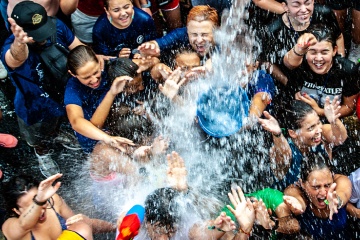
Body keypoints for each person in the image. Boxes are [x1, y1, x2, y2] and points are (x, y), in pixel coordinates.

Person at [0, 1, 84, 177]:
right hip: (35, 106)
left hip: (62, 93)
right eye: (37, 34)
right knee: (37, 137)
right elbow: (15, 58)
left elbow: (77, 47)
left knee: (60, 120)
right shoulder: (10, 46)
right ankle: (42, 154)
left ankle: (57, 133)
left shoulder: (56, 24)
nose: (44, 37)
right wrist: (19, 43)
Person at [65, 45, 163, 180]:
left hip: (123, 128)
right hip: (99, 142)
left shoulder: (112, 66)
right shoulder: (72, 88)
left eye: (95, 72)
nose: (94, 80)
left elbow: (152, 62)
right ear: (73, 74)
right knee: (122, 162)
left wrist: (151, 63)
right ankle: (145, 178)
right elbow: (77, 122)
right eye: (86, 77)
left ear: (99, 62)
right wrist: (108, 138)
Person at [258, 98, 347, 190]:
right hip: (290, 198)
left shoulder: (322, 134)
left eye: (318, 122)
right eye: (311, 128)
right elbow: (284, 154)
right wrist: (277, 134)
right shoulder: (281, 149)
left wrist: (334, 120)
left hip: (321, 195)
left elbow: (340, 139)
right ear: (293, 133)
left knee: (344, 181)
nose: (319, 130)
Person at [1, 173, 116, 240]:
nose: (40, 211)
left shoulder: (52, 200)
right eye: (28, 206)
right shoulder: (10, 228)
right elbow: (23, 225)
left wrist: (116, 227)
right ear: (16, 210)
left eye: (40, 198)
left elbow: (85, 223)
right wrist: (39, 201)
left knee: (81, 226)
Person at [281, 24, 359, 119]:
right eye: (313, 52)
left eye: (324, 52)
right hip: (300, 117)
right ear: (306, 51)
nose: (318, 58)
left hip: (332, 120)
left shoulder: (347, 69)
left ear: (334, 50)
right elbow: (288, 63)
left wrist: (319, 111)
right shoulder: (299, 64)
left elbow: (349, 107)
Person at [259, 0, 344, 84]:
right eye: (296, 5)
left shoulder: (323, 13)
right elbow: (267, 61)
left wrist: (340, 65)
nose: (303, 10)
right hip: (294, 80)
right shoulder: (273, 30)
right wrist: (286, 82)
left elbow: (338, 36)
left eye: (307, 3)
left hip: (327, 75)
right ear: (285, 7)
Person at [283, 152, 352, 239]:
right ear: (302, 184)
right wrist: (298, 205)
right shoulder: (296, 189)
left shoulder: (340, 181)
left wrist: (337, 201)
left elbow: (343, 193)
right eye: (316, 187)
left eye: (327, 185)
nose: (323, 192)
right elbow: (295, 197)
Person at [138, 5, 218, 65]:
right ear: (187, 31)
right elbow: (160, 43)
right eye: (194, 34)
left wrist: (214, 63)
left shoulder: (224, 39)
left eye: (204, 35)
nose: (199, 40)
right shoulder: (181, 34)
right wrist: (151, 46)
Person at [92, 0, 157, 57]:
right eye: (116, 10)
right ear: (107, 11)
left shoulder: (145, 20)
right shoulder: (100, 29)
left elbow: (154, 45)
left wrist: (144, 54)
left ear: (132, 4)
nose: (123, 13)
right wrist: (118, 56)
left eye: (126, 7)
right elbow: (102, 58)